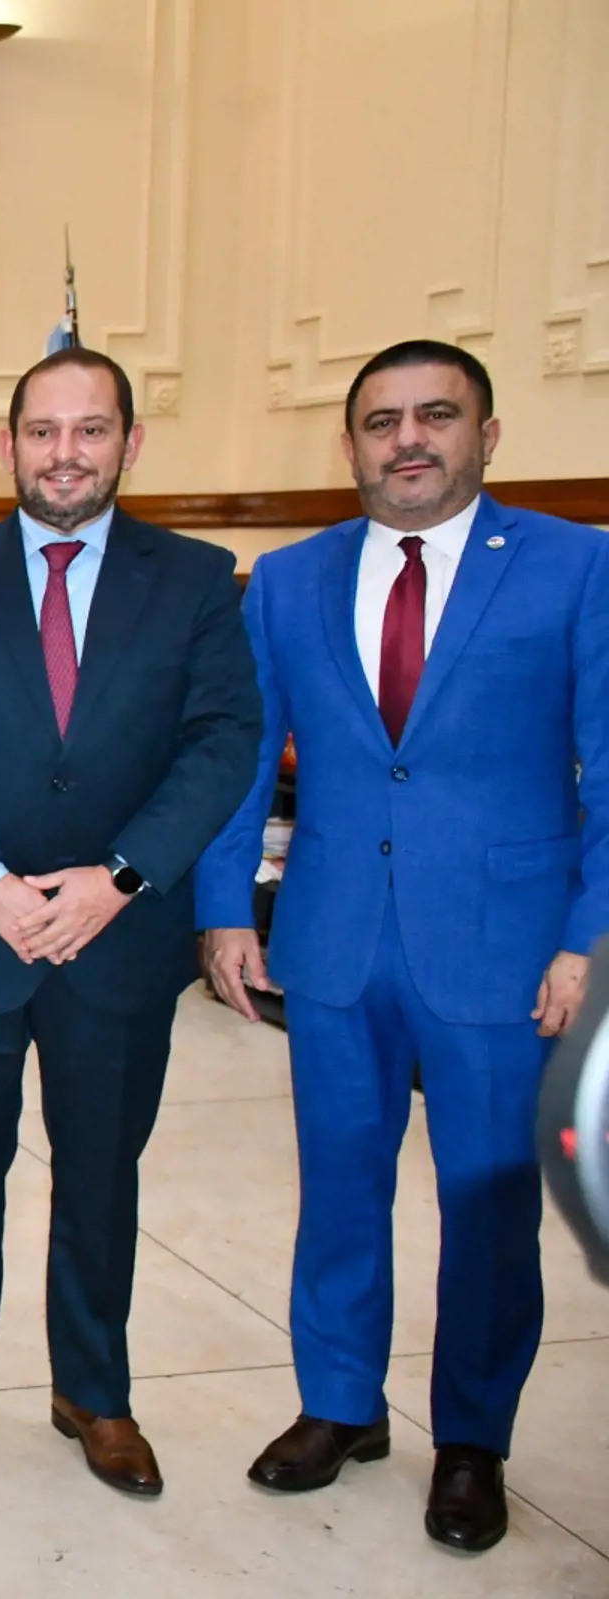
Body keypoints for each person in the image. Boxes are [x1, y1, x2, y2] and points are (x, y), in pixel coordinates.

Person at [198, 340, 607, 1553]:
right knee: (337, 1185)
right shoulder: (288, 580)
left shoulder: (576, 565)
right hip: (332, 940)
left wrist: (588, 938)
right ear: (352, 446)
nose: (409, 439)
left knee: (487, 1204)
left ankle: (473, 1438)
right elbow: (241, 758)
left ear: (489, 435)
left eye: (437, 415)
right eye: (382, 422)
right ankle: (340, 1404)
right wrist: (225, 907)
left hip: (505, 950)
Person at [0, 346, 261, 1498]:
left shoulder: (194, 577)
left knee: (101, 1173)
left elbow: (223, 742)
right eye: (43, 431)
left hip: (118, 938)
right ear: (8, 445)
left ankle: (95, 1394)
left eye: (91, 430)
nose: (65, 453)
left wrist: (119, 878)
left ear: (130, 444)